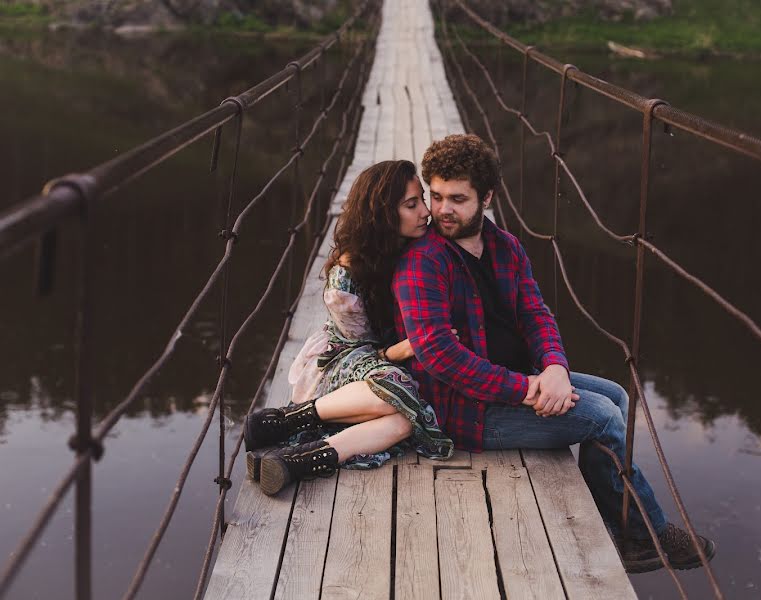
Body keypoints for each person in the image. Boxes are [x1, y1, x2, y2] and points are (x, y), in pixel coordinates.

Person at [392, 134, 716, 573]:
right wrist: (528, 388)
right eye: (436, 195)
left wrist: (555, 368)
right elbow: (438, 356)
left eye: (458, 198)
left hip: (518, 376)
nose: (442, 209)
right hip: (463, 409)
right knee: (603, 417)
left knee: (617, 396)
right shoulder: (424, 260)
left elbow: (535, 313)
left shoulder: (504, 244)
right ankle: (645, 537)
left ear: (487, 198)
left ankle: (610, 518)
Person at [244, 160, 453, 496]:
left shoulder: (415, 245)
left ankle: (297, 460)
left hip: (381, 372)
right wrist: (404, 347)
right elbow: (366, 351)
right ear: (384, 213)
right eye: (412, 205)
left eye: (422, 200)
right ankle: (292, 417)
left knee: (405, 419)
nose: (426, 212)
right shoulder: (345, 280)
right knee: (399, 392)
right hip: (346, 359)